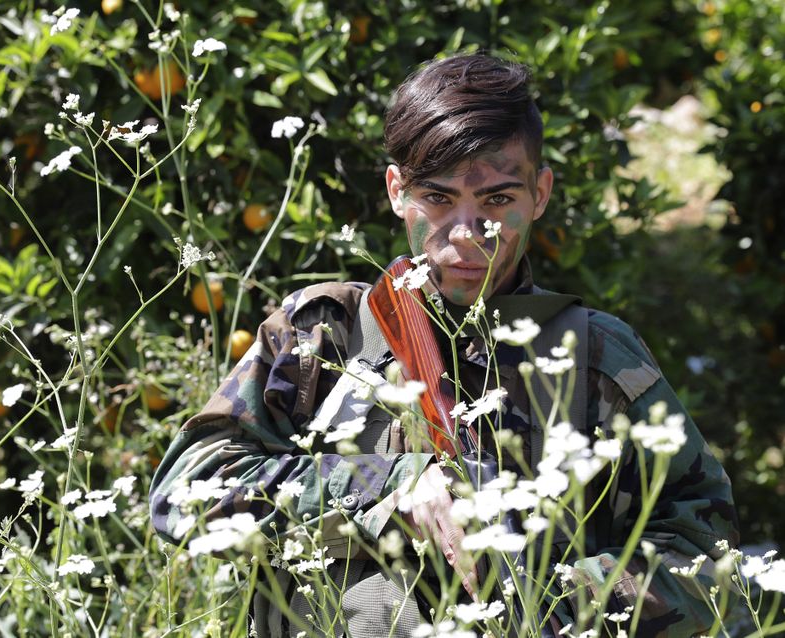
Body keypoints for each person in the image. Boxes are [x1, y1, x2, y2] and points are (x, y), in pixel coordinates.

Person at [149, 53, 739, 637]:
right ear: (396, 191)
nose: (465, 234)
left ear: (540, 194)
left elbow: (707, 549)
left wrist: (549, 605)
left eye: (497, 202)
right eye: (437, 199)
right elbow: (182, 493)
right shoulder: (324, 332)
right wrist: (385, 487)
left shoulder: (595, 353)